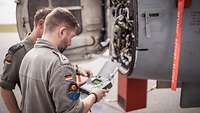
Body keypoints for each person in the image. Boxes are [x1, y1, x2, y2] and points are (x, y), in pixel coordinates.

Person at [19, 7, 107, 113]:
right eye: (71, 37)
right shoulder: (60, 65)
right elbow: (74, 111)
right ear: (62, 32)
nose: (69, 43)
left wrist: (65, 88)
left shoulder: (28, 55)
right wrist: (94, 96)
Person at [0, 8, 52, 113]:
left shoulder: (51, 46)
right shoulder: (18, 52)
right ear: (41, 24)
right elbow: (5, 87)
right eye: (52, 28)